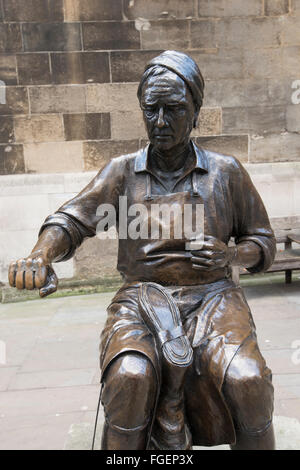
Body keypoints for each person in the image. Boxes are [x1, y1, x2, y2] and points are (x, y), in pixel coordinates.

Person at [8, 51, 276, 450]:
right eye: (151, 110)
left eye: (174, 109)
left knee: (248, 379)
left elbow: (263, 243)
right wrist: (41, 254)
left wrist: (231, 257)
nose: (161, 122)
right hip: (141, 299)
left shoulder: (226, 172)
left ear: (196, 110)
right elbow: (71, 220)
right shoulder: (122, 171)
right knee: (130, 376)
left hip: (213, 299)